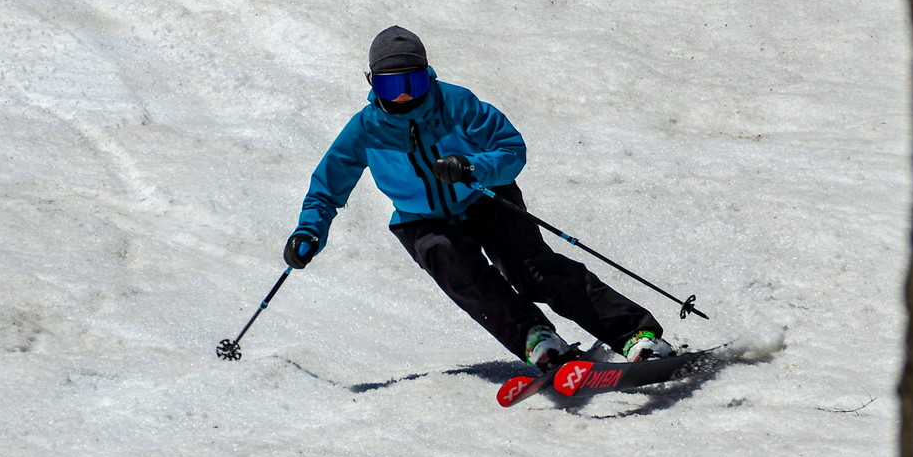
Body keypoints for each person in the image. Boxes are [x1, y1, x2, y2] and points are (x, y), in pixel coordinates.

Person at [283, 25, 676, 371]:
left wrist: (472, 167)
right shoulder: (364, 130)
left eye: (413, 84)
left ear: (428, 76)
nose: (403, 96)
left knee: (532, 269)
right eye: (391, 86)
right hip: (422, 220)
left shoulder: (457, 103)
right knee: (465, 277)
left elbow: (511, 148)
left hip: (485, 197)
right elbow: (327, 187)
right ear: (372, 82)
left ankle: (635, 334)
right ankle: (536, 339)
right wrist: (309, 232)